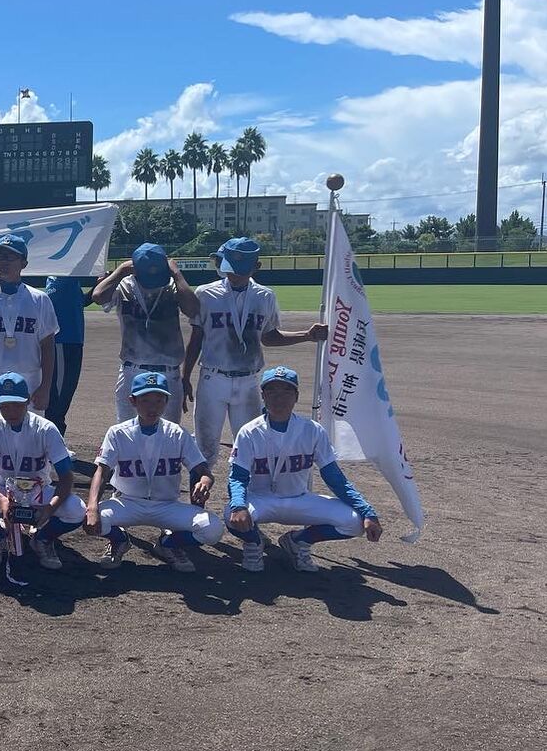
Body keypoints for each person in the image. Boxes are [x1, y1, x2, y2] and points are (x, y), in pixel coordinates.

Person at [183, 237, 326, 469]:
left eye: (240, 269)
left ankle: (246, 492)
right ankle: (200, 490)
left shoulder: (265, 296)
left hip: (248, 381)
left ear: (256, 267)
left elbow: (269, 337)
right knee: (205, 446)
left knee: (251, 445)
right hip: (212, 378)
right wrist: (185, 376)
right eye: (230, 267)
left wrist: (307, 335)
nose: (233, 274)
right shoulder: (206, 294)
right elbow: (196, 337)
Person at [223, 366, 382, 573]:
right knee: (231, 514)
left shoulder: (312, 430)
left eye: (286, 391)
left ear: (296, 396)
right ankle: (254, 543)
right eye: (272, 391)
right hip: (261, 500)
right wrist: (238, 506)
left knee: (354, 521)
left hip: (299, 498)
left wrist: (367, 511)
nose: (279, 398)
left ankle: (298, 541)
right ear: (263, 396)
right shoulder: (249, 432)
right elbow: (238, 477)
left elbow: (334, 478)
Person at [83, 371, 223, 573]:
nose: (152, 407)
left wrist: (205, 482)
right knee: (88, 518)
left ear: (166, 402)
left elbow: (203, 470)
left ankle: (167, 544)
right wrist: (92, 507)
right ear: (133, 401)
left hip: (167, 505)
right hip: (127, 502)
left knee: (212, 529)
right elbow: (102, 471)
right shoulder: (118, 433)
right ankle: (119, 540)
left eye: (159, 400)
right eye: (145, 400)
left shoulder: (177, 434)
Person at [0, 372, 86, 571]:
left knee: (76, 509)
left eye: (16, 404)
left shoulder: (46, 428)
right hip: (2, 489)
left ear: (28, 400)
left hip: (39, 491)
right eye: (4, 406)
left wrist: (50, 508)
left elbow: (66, 476)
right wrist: (0, 499)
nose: (11, 411)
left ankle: (42, 539)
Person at [91, 243, 199, 425]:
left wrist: (177, 274)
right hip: (133, 369)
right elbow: (98, 296)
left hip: (167, 371)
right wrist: (120, 271)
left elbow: (193, 309)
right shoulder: (125, 285)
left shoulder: (171, 286)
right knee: (126, 429)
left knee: (168, 431)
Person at [0, 234, 58, 413]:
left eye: (10, 257)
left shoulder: (40, 299)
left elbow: (48, 345)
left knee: (32, 428)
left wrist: (46, 386)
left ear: (24, 263)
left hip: (30, 378)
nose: (4, 262)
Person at [42, 273, 90, 434]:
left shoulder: (65, 280)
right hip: (62, 341)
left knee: (64, 395)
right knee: (58, 399)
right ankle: (52, 441)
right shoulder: (62, 277)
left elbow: (81, 301)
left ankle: (53, 440)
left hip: (73, 341)